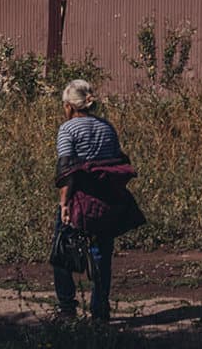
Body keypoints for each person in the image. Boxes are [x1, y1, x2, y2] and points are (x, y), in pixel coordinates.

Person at [51, 79, 144, 321]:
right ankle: (100, 312)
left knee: (62, 253)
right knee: (101, 255)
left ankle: (67, 310)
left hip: (78, 200)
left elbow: (67, 174)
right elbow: (116, 161)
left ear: (70, 106)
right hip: (106, 201)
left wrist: (64, 205)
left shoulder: (68, 129)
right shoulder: (107, 127)